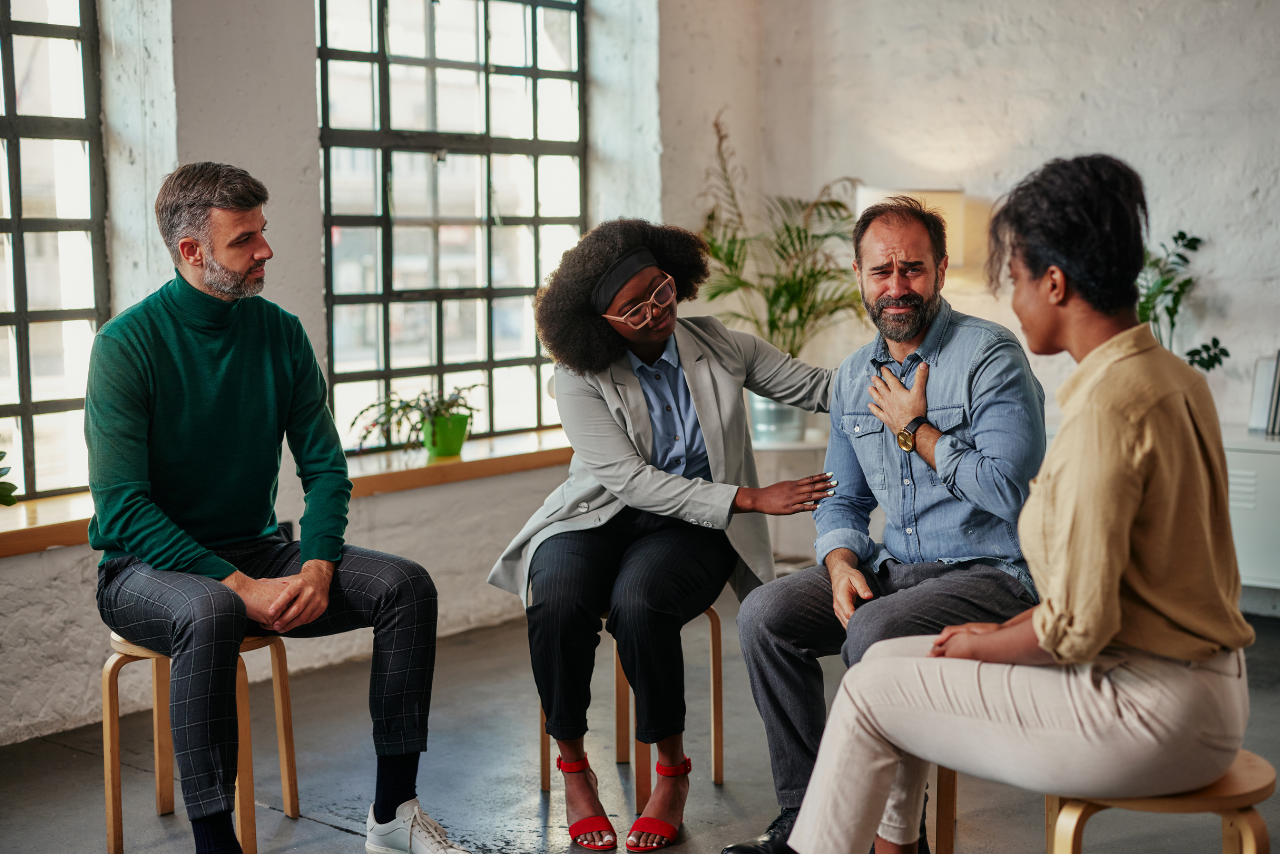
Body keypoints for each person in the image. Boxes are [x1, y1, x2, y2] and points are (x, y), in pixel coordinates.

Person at [786, 154, 1257, 854]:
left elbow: (1077, 623)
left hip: (1145, 711)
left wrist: (985, 639)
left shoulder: (1105, 409)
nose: (1010, 298)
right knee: (884, 666)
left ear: (1056, 282)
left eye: (1015, 278)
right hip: (1200, 693)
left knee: (870, 688)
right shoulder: (1167, 376)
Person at [87, 163, 470, 854]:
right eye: (244, 240)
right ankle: (215, 843)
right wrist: (238, 585)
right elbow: (123, 510)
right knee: (212, 608)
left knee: (405, 587)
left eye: (263, 233)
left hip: (257, 549)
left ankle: (392, 815)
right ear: (192, 252)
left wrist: (319, 564)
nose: (265, 250)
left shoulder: (280, 334)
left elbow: (324, 467)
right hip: (141, 569)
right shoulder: (125, 347)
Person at [489, 219, 835, 852]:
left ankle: (671, 772)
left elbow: (817, 388)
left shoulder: (722, 345)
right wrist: (753, 499)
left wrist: (901, 388)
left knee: (640, 602)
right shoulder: (578, 375)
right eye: (633, 309)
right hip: (597, 514)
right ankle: (574, 768)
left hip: (691, 525)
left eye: (662, 289)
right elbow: (629, 480)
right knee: (558, 597)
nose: (656, 311)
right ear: (601, 324)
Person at [725, 197, 1047, 854]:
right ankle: (808, 819)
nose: (897, 286)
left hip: (989, 573)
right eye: (882, 271)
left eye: (913, 269)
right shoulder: (852, 377)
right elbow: (842, 502)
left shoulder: (991, 357)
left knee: (873, 629)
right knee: (766, 615)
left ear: (940, 269)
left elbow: (1008, 491)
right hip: (893, 568)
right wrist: (841, 563)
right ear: (859, 276)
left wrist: (917, 431)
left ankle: (895, 836)